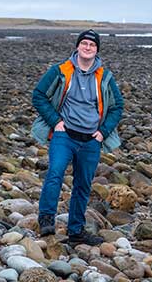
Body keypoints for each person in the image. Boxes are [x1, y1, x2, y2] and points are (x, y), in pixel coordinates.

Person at [31, 29, 124, 246]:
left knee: (83, 185)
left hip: (91, 140)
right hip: (65, 135)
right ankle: (46, 219)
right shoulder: (61, 70)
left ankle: (76, 231)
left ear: (97, 49)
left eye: (92, 45)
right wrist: (56, 122)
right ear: (77, 46)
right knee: (54, 173)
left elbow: (117, 106)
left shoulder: (105, 77)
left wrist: (103, 133)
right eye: (84, 43)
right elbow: (38, 95)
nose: (88, 47)